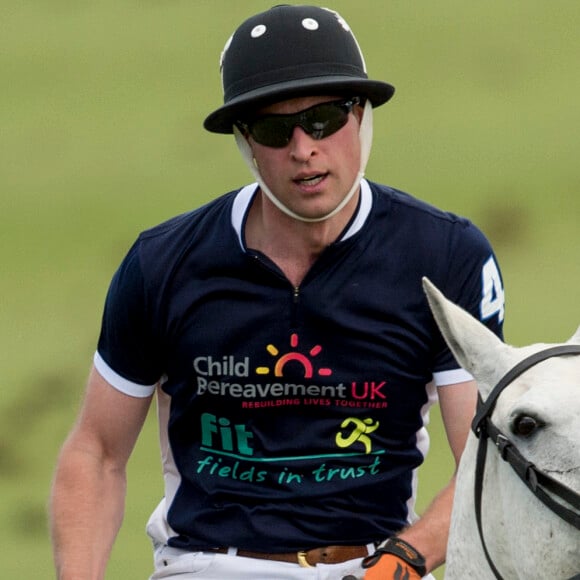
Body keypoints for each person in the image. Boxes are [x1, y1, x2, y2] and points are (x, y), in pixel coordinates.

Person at [50, 5, 506, 580]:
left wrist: (407, 558)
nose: (302, 148)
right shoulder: (161, 263)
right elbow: (96, 453)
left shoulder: (448, 256)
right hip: (208, 565)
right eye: (272, 128)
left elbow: (482, 459)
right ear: (244, 139)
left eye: (322, 120)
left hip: (377, 566)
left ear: (361, 116)